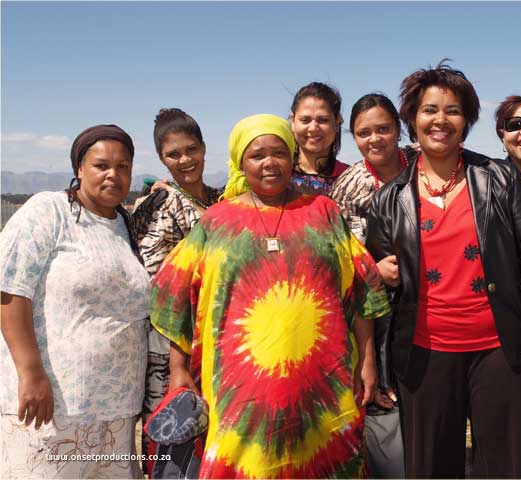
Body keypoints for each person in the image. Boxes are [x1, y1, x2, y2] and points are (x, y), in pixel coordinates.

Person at [150, 114, 390, 478]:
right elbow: (176, 293)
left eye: (279, 152)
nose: (269, 163)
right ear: (240, 163)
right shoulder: (217, 222)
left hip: (323, 381)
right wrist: (179, 369)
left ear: (292, 157)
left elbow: (361, 287)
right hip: (239, 388)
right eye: (257, 155)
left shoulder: (323, 212)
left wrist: (368, 360)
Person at [365, 61, 521, 478]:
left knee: (511, 466)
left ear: (468, 120)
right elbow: (379, 287)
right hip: (423, 355)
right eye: (429, 110)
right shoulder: (390, 198)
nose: (441, 120)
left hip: (500, 351)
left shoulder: (500, 178)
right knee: (432, 467)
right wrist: (378, 273)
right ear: (412, 120)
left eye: (453, 110)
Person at [0, 125, 150, 479]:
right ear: (79, 169)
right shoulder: (49, 211)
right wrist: (31, 374)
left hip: (116, 413)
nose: (114, 174)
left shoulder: (124, 227)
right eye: (101, 165)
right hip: (51, 407)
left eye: (124, 166)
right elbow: (9, 289)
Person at [131, 108, 223, 474]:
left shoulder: (222, 200)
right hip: (171, 339)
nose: (185, 160)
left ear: (203, 148)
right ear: (161, 159)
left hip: (218, 337)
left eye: (191, 150)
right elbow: (159, 278)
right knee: (172, 433)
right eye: (174, 154)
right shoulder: (159, 204)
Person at [330, 93, 417, 478]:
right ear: (352, 136)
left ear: (398, 129)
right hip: (377, 318)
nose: (375, 138)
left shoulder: (423, 162)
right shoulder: (348, 187)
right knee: (386, 407)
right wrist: (372, 270)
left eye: (383, 129)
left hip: (435, 302)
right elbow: (341, 259)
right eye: (364, 132)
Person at [289, 82, 349, 195]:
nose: (313, 128)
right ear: (292, 121)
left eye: (323, 120)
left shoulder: (350, 179)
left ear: (337, 122)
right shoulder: (277, 175)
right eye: (305, 120)